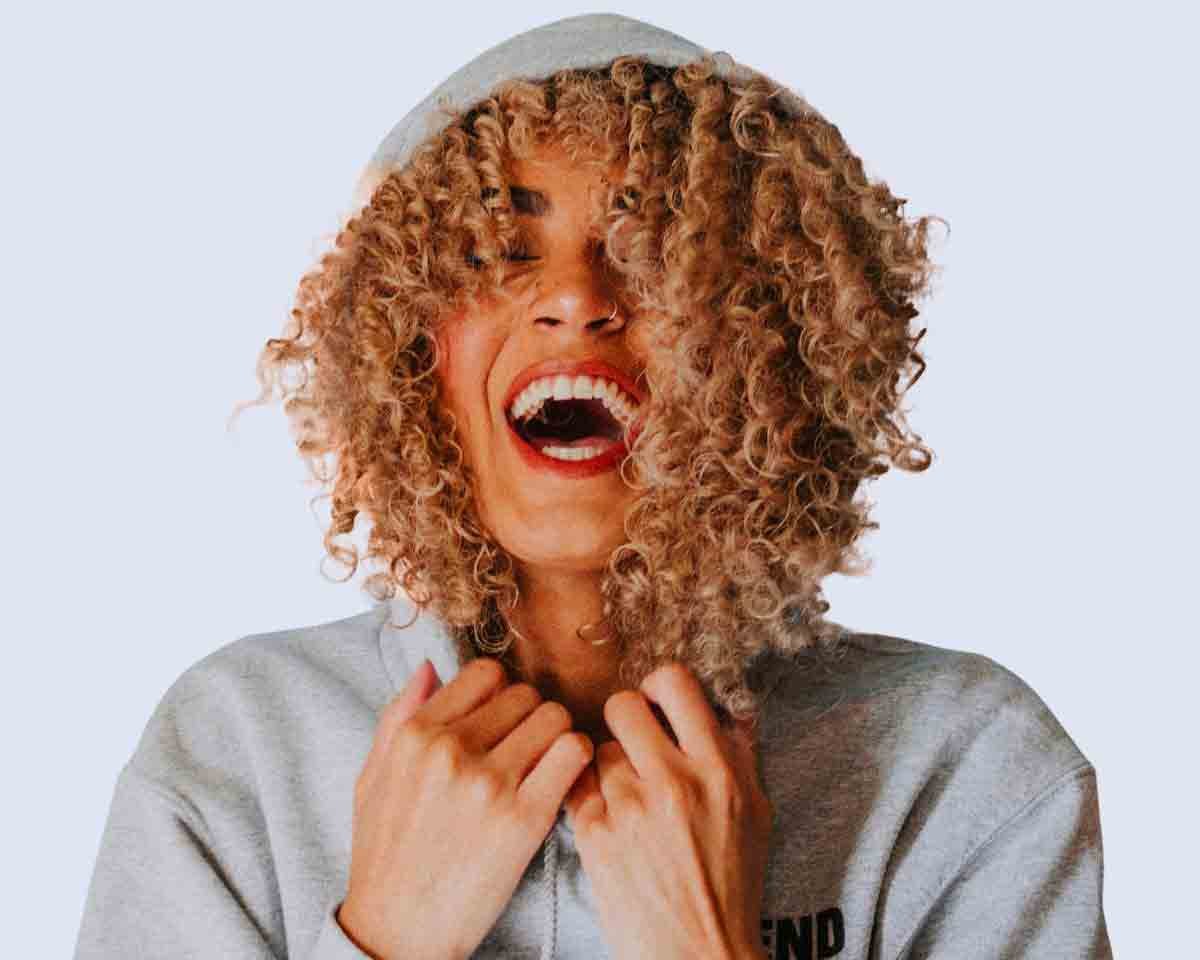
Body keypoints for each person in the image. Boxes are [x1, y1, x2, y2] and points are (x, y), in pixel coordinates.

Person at [73, 12, 1113, 959]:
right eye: (499, 249)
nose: (575, 298)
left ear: (778, 342)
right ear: (405, 345)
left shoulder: (967, 771)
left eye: (655, 249)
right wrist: (383, 937)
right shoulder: (238, 750)